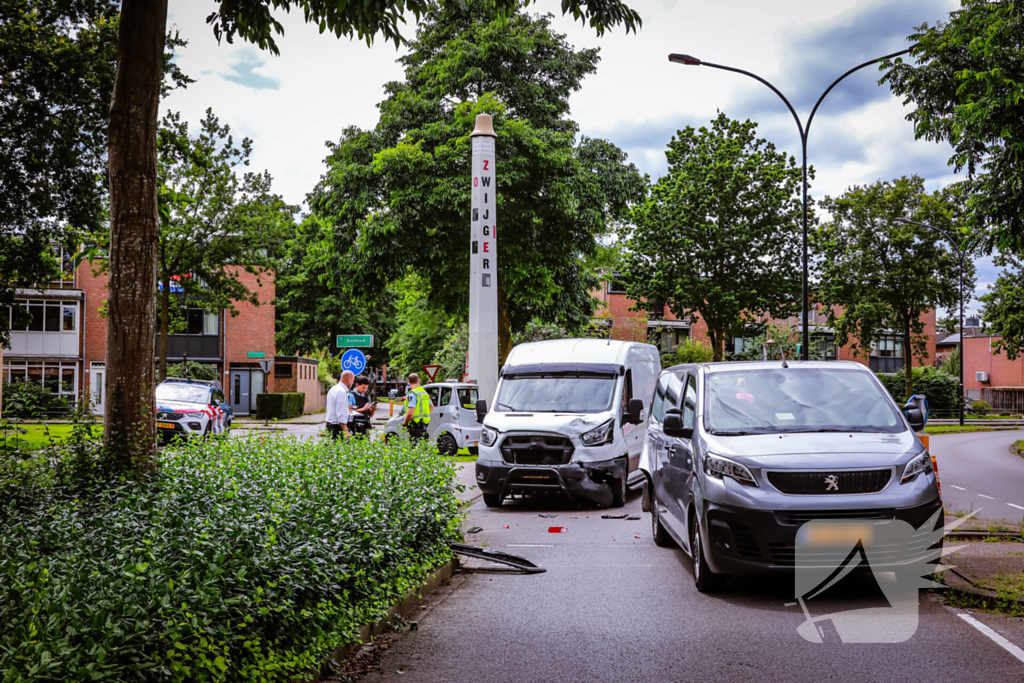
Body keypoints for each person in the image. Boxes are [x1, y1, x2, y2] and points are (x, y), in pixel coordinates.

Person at [402, 372, 432, 441]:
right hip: (424, 425)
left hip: (415, 427)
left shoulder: (413, 394)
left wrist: (404, 424)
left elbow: (410, 412)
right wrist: (424, 416)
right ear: (419, 381)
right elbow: (431, 406)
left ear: (408, 382)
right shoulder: (424, 393)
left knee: (414, 448)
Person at [325, 370, 354, 440]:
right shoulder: (342, 392)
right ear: (349, 379)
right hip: (337, 428)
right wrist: (346, 431)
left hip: (329, 425)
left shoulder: (333, 389)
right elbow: (341, 413)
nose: (353, 382)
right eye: (353, 380)